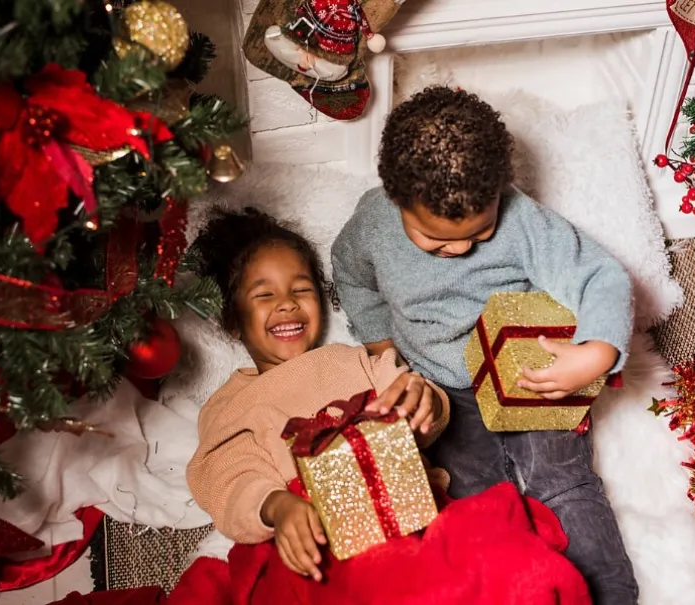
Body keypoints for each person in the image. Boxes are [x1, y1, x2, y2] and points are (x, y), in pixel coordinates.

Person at [182, 207, 591, 605]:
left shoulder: (352, 360)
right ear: (233, 322)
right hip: (320, 537)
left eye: (301, 289)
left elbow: (412, 397)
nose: (287, 303)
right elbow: (226, 480)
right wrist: (276, 506)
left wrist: (423, 402)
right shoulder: (233, 404)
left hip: (408, 513)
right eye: (265, 294)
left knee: (508, 562)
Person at [331, 86, 639, 605]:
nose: (458, 249)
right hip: (441, 386)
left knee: (562, 483)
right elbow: (351, 275)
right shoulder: (372, 225)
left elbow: (599, 275)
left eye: (479, 232)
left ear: (499, 191)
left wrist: (597, 352)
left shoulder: (522, 221)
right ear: (396, 200)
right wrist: (384, 347)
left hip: (525, 368)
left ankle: (610, 596)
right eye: (436, 240)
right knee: (472, 499)